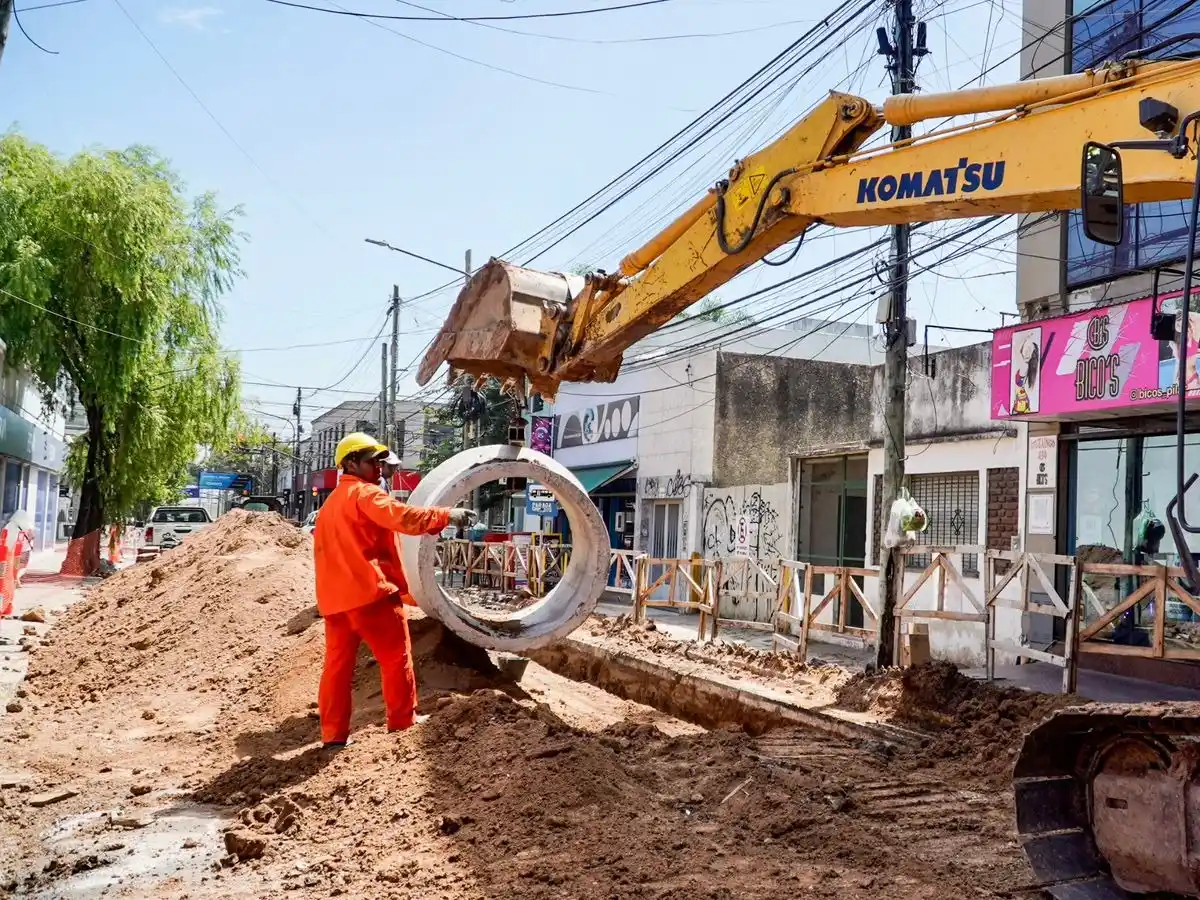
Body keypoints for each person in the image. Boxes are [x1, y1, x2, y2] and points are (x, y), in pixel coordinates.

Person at [313, 432, 475, 748]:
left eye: (379, 461)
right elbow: (403, 517)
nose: (378, 466)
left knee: (337, 669)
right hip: (371, 595)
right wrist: (446, 515)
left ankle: (333, 735)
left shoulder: (330, 505)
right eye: (371, 461)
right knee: (395, 658)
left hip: (335, 603)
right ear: (350, 464)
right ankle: (403, 722)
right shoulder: (365, 495)